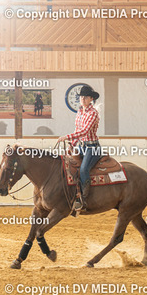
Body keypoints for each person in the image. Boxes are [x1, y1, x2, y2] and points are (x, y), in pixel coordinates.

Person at [56, 84, 100, 213]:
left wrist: (66, 137)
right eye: (81, 97)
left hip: (92, 148)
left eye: (86, 97)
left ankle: (84, 199)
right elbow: (77, 131)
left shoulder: (93, 113)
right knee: (68, 164)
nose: (83, 99)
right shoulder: (80, 112)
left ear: (91, 99)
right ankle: (72, 194)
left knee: (84, 169)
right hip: (81, 146)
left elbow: (84, 131)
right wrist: (72, 144)